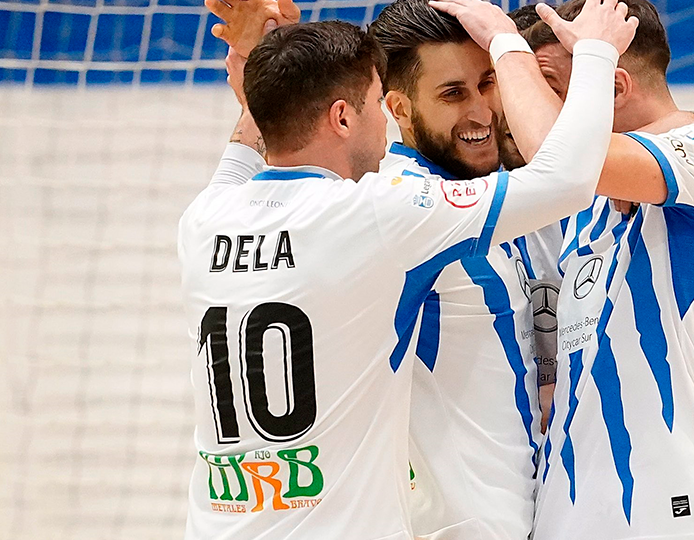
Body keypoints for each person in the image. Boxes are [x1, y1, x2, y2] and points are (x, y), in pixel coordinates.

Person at [178, 7, 636, 539]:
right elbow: (569, 178)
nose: (385, 122)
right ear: (345, 116)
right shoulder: (376, 212)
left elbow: (253, 137)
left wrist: (265, 54)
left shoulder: (205, 217)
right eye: (377, 104)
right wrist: (595, 51)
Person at [431, 0, 694, 537]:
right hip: (566, 515)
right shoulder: (588, 207)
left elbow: (568, 157)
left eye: (549, 83)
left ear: (614, 85)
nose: (514, 108)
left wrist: (506, 41)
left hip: (664, 509)